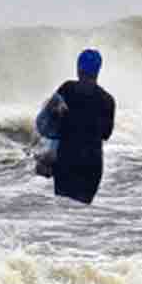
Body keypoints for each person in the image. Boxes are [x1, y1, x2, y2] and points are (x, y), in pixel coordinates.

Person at [48, 49, 115, 204]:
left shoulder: (67, 89)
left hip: (66, 162)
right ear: (98, 71)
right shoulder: (107, 100)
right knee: (82, 217)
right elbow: (106, 133)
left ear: (78, 68)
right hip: (91, 165)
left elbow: (49, 117)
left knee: (64, 212)